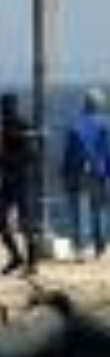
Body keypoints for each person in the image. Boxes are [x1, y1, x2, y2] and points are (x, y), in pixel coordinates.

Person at [0, 92, 37, 275]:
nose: (4, 110)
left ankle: (32, 262)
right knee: (0, 222)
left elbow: (31, 153)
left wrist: (22, 141)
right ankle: (16, 256)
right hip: (7, 180)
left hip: (20, 180)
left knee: (26, 223)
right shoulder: (3, 127)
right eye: (3, 106)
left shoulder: (22, 125)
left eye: (6, 106)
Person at [61, 88, 110, 259]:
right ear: (101, 105)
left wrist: (65, 172)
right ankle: (101, 247)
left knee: (80, 211)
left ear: (86, 104)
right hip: (101, 173)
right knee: (100, 210)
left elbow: (70, 152)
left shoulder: (76, 125)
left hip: (78, 172)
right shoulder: (107, 124)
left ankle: (81, 249)